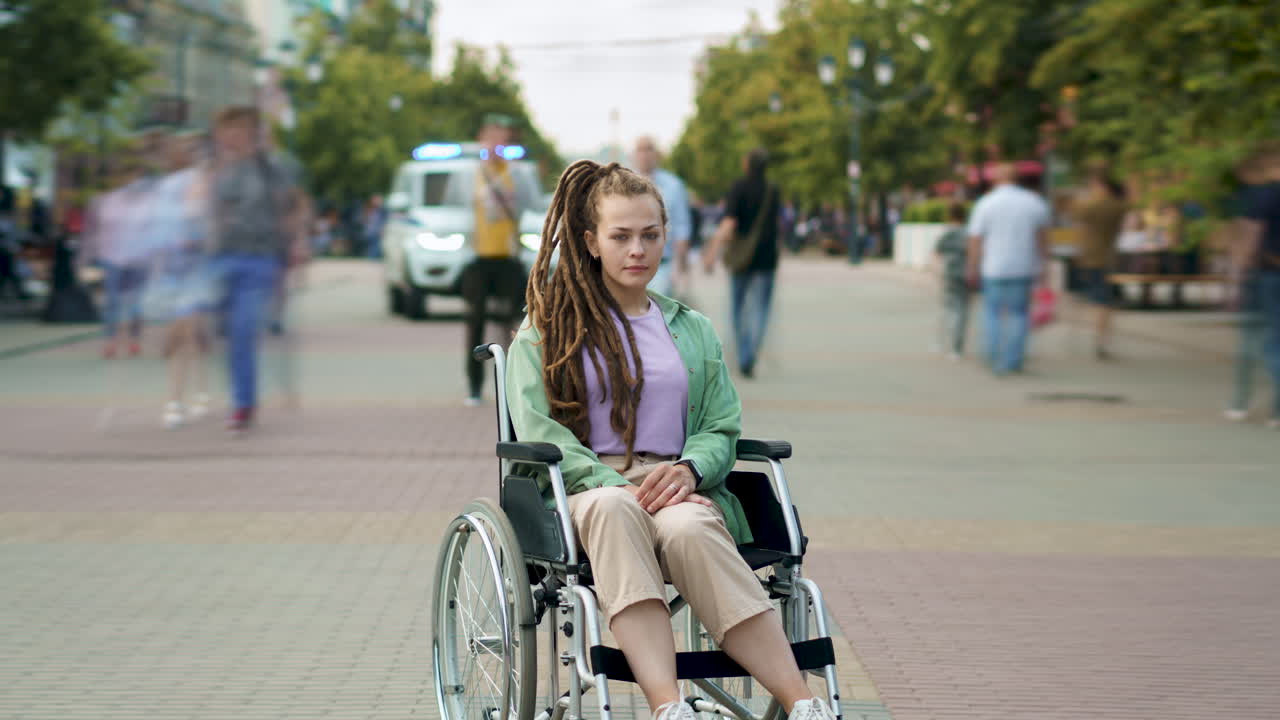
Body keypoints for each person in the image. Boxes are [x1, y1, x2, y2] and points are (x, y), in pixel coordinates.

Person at [507, 159, 837, 720]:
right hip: (585, 489)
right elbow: (541, 433)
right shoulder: (546, 329)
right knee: (614, 509)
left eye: (650, 236)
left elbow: (720, 426)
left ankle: (804, 703)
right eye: (621, 236)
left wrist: (688, 470)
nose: (637, 249)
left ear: (666, 237)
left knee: (690, 525)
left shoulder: (691, 328)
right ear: (590, 242)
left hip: (673, 484)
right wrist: (617, 484)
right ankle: (669, 707)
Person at [205, 106, 300, 432]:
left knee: (243, 329)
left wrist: (297, 245)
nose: (231, 136)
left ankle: (243, 403)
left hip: (259, 257)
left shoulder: (270, 167)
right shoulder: (216, 169)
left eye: (238, 129)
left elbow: (293, 204)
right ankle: (239, 394)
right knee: (222, 332)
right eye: (226, 129)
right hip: (220, 258)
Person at [462, 113, 532, 407]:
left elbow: (532, 208)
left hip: (508, 256)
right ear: (482, 139)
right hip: (479, 258)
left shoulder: (517, 174)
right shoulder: (470, 174)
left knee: (512, 323)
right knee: (475, 321)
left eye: (501, 139)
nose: (496, 144)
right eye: (491, 138)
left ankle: (512, 384)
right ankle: (475, 386)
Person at [965, 163, 1053, 376]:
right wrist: (1044, 265)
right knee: (1019, 314)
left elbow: (976, 239)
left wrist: (972, 267)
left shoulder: (985, 203)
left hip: (993, 267)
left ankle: (994, 357)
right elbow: (1042, 238)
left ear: (995, 179)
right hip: (1023, 266)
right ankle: (1013, 360)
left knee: (992, 313)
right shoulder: (1034, 202)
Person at [703, 148, 780, 378]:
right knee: (761, 310)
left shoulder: (739, 187)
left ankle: (744, 353)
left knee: (738, 308)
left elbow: (729, 224)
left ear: (747, 164)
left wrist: (712, 253)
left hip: (741, 259)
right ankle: (750, 354)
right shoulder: (773, 190)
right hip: (767, 258)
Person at [1238, 148, 1280, 429]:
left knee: (1269, 340)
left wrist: (1243, 265)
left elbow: (1252, 235)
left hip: (1270, 272)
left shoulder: (1265, 196)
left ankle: (1242, 403)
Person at [1068, 167, 1128, 360]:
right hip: (1108, 256)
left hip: (1090, 256)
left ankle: (1098, 339)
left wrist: (1083, 197)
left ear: (1103, 187)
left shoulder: (1093, 205)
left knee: (1098, 300)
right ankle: (1101, 339)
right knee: (1104, 300)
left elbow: (1074, 213)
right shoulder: (1118, 206)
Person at [632, 136, 692, 297]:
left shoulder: (674, 186)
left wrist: (680, 267)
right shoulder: (621, 185)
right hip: (630, 266)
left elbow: (682, 227)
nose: (644, 154)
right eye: (640, 149)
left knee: (659, 316)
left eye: (649, 149)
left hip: (662, 267)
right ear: (634, 155)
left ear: (657, 154)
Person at [933, 202, 972, 359]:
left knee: (948, 309)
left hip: (950, 273)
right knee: (962, 310)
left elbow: (936, 252)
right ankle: (957, 347)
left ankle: (943, 343)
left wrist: (937, 273)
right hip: (966, 273)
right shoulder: (969, 232)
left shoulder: (947, 232)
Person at [361, 194, 387, 259]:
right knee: (371, 248)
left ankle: (372, 259)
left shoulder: (383, 211)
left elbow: (383, 222)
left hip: (377, 232)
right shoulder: (369, 209)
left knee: (375, 248)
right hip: (370, 232)